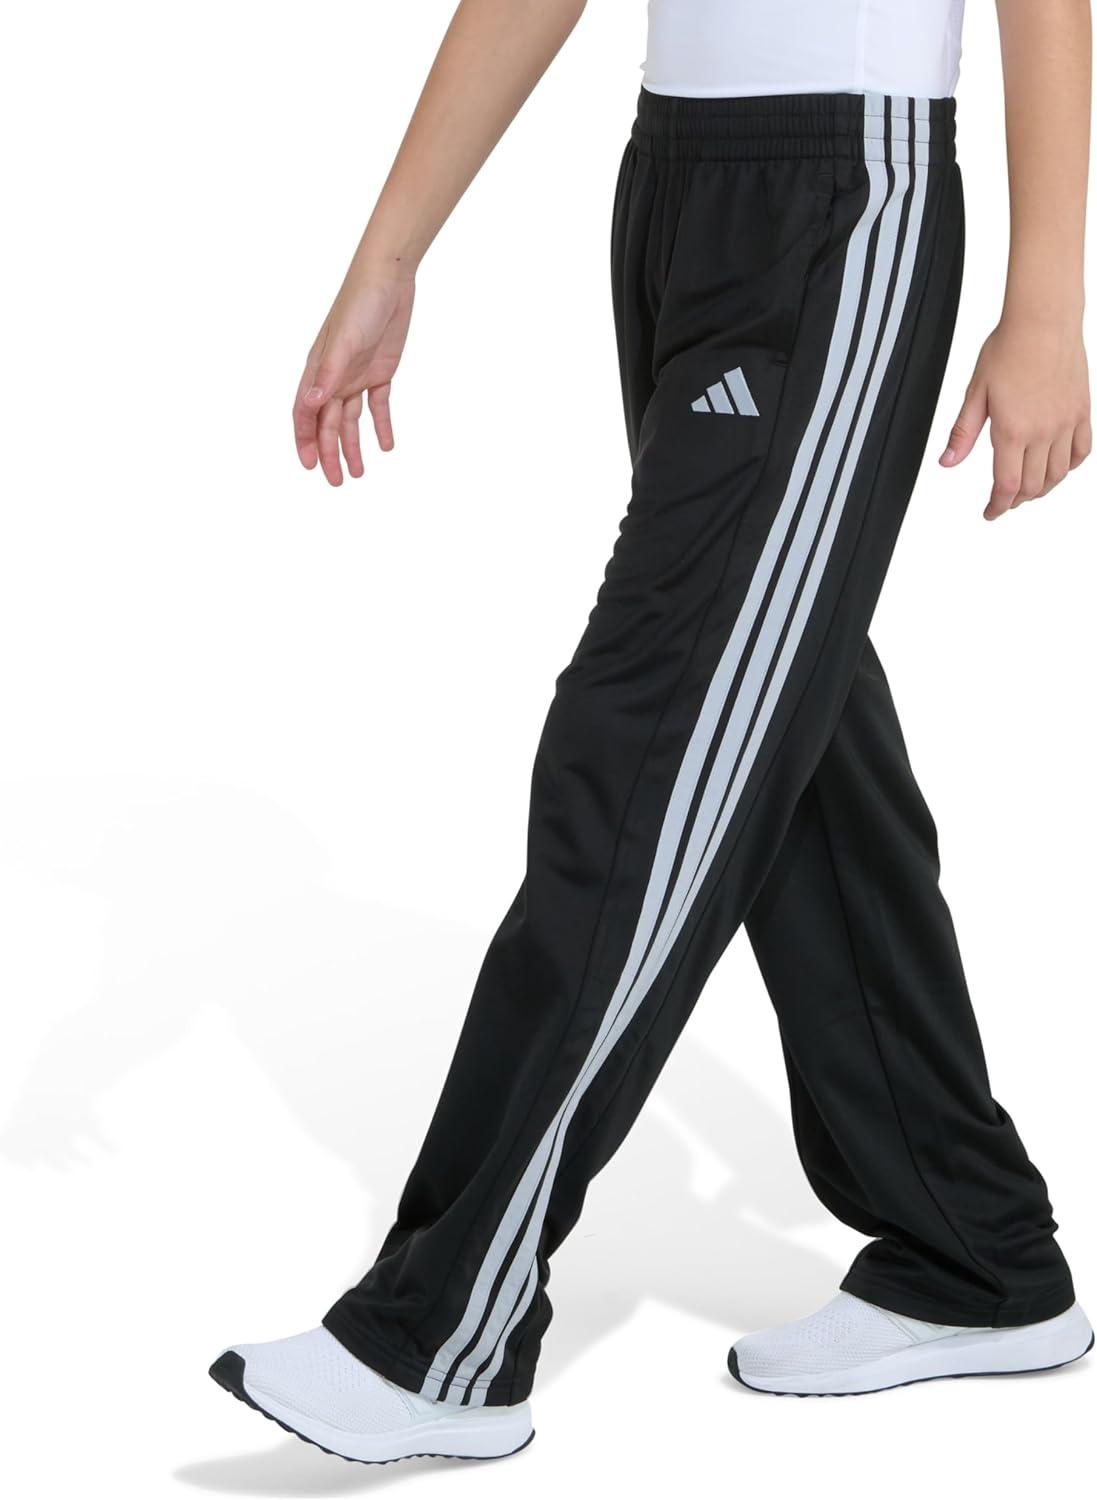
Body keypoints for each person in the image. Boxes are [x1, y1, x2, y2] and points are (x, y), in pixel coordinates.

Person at [209, 0, 1094, 1464]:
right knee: (777, 716)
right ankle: (971, 1246)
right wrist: (390, 252)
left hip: (846, 195)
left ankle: (440, 1330)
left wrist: (1046, 300)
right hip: (679, 185)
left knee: (650, 741)